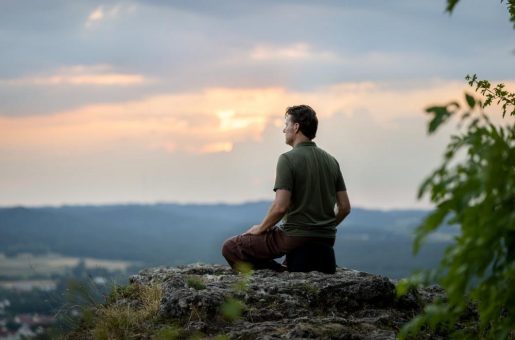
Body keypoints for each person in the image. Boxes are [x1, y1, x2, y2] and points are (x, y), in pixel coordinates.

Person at [221, 105, 351, 272]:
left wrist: (260, 228)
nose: (284, 130)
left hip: (293, 235)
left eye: (286, 124)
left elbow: (280, 207)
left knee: (231, 247)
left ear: (296, 127)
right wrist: (323, 227)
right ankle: (289, 265)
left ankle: (279, 275)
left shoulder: (287, 159)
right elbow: (345, 207)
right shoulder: (331, 161)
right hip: (326, 238)